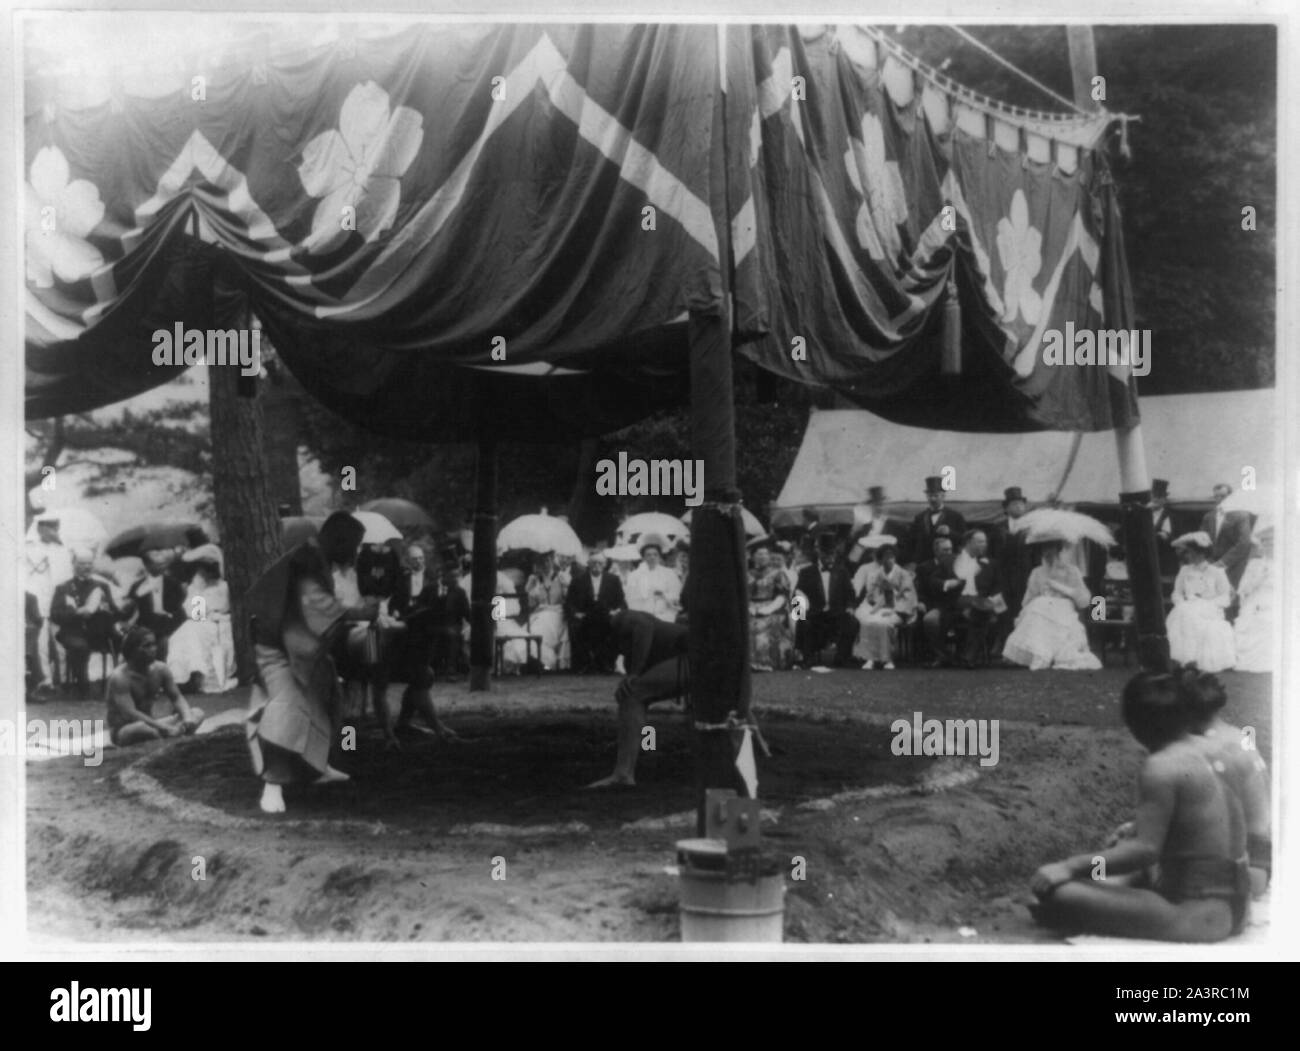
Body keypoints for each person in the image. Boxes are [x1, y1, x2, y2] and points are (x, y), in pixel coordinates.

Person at [1030, 670, 1250, 942]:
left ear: (1135, 725)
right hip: (1237, 901)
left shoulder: (1161, 766)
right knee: (1115, 859)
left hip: (1196, 913)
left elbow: (1145, 851)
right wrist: (1135, 830)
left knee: (1058, 891)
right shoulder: (1220, 750)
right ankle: (1108, 890)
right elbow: (1210, 820)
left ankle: (1090, 900)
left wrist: (1071, 866)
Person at [246, 512, 371, 814]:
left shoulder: (316, 559)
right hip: (276, 647)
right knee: (288, 707)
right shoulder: (306, 562)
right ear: (340, 542)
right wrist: (361, 613)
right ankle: (272, 785)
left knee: (327, 697)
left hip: (297, 646)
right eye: (353, 546)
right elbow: (318, 608)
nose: (355, 553)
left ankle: (317, 768)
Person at [586, 610, 688, 788]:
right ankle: (649, 746)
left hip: (695, 652)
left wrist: (635, 672)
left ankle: (623, 773)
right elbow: (643, 704)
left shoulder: (621, 620)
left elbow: (645, 625)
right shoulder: (629, 657)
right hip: (694, 657)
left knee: (632, 693)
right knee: (635, 697)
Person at [1001, 540, 1101, 671]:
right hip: (1040, 606)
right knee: (1037, 606)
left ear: (1058, 551)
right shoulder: (1037, 572)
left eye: (1051, 550)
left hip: (1064, 605)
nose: (1047, 553)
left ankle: (1046, 654)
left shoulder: (1071, 570)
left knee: (1040, 606)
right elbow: (1029, 597)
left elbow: (1083, 599)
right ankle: (1033, 653)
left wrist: (1061, 588)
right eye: (1044, 550)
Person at [105, 627, 205, 746]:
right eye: (147, 646)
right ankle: (171, 734)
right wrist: (164, 728)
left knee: (197, 713)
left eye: (154, 644)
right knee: (140, 728)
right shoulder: (120, 677)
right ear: (132, 650)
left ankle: (170, 733)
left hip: (153, 725)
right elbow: (130, 714)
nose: (153, 649)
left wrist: (187, 718)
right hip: (125, 730)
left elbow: (177, 698)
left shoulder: (161, 669)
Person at [165, 544, 235, 694]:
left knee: (194, 631)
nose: (200, 573)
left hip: (221, 623)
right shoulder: (195, 588)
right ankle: (186, 676)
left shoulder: (224, 587)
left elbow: (224, 608)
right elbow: (197, 614)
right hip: (202, 622)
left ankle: (203, 676)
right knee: (182, 635)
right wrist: (197, 590)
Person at [49, 549, 119, 696]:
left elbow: (115, 613)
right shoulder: (63, 588)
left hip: (98, 632)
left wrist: (107, 610)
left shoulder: (102, 586)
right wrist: (76, 613)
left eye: (89, 563)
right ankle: (83, 686)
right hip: (72, 632)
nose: (86, 567)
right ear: (73, 564)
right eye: (82, 563)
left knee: (126, 641)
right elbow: (55, 615)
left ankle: (121, 685)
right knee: (79, 647)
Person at [1166, 532, 1235, 673]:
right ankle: (1185, 658)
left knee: (1191, 615)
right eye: (1188, 553)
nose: (1189, 556)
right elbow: (1177, 592)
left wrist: (1208, 604)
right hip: (1188, 607)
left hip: (1210, 609)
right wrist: (1181, 603)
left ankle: (1194, 659)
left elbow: (1225, 596)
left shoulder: (1217, 572)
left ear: (1202, 553)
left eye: (1192, 553)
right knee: (1184, 614)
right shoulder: (1184, 571)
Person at [794, 532, 858, 668]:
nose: (831, 558)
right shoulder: (806, 572)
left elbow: (850, 593)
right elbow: (798, 593)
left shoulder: (842, 571)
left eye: (833, 554)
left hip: (836, 613)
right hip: (815, 614)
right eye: (827, 554)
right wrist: (800, 613)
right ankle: (808, 658)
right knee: (804, 622)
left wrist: (850, 607)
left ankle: (842, 658)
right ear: (820, 554)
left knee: (852, 622)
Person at [852, 539, 916, 670]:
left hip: (897, 608)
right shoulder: (875, 574)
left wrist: (896, 608)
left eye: (891, 557)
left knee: (885, 623)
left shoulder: (903, 574)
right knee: (868, 621)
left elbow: (908, 596)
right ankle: (869, 658)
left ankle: (887, 658)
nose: (888, 561)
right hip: (876, 606)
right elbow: (870, 594)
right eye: (885, 558)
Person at [25, 513, 72, 691]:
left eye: (56, 528)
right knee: (41, 643)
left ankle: (64, 679)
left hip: (58, 600)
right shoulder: (29, 547)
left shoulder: (61, 548)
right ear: (40, 529)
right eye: (50, 528)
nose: (54, 532)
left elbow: (66, 576)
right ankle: (46, 680)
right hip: (39, 599)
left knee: (59, 640)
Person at [565, 549, 626, 673]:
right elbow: (569, 602)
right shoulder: (578, 580)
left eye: (600, 563)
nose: (597, 565)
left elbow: (621, 601)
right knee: (576, 627)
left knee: (613, 628)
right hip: (585, 615)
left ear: (605, 564)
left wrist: (617, 611)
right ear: (588, 563)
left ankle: (606, 663)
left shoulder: (613, 580)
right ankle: (584, 664)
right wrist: (575, 613)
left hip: (607, 615)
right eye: (593, 562)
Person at [991, 487, 1035, 650]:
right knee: (1004, 611)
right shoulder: (998, 528)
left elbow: (1036, 555)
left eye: (1020, 504)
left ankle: (1022, 647)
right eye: (1014, 504)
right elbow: (993, 554)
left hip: (1025, 575)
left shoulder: (1031, 527)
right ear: (1006, 508)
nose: (1018, 507)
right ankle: (1004, 645)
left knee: (1022, 610)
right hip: (1003, 576)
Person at [123, 546, 187, 659]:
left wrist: (168, 614)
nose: (161, 567)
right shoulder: (138, 586)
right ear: (147, 566)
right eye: (157, 564)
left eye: (163, 564)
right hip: (145, 626)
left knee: (164, 643)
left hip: (169, 625)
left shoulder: (173, 583)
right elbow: (131, 609)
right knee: (136, 644)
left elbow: (179, 608)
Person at [951, 529, 1003, 668]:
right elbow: (936, 580)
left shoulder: (991, 564)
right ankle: (970, 657)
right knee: (980, 610)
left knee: (980, 611)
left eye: (985, 541)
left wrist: (993, 601)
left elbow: (998, 586)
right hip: (958, 600)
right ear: (969, 543)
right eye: (980, 541)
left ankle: (968, 657)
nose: (984, 544)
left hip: (981, 602)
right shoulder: (953, 560)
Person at [748, 539, 794, 672]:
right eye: (759, 554)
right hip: (750, 606)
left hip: (773, 606)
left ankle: (765, 662)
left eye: (765, 554)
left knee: (764, 624)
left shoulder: (778, 574)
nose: (762, 557)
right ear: (753, 556)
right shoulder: (746, 574)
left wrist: (767, 609)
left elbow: (782, 596)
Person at [918, 532, 963, 666]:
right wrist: (920, 601)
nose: (949, 552)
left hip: (957, 605)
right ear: (935, 551)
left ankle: (962, 655)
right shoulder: (924, 567)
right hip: (936, 605)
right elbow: (921, 589)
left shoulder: (959, 564)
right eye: (945, 550)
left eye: (950, 549)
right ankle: (941, 654)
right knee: (930, 620)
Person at [1232, 527, 1272, 673]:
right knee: (1257, 618)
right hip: (1258, 598)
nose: (1269, 547)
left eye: (1272, 543)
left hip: (1277, 598)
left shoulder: (1287, 563)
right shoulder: (1255, 564)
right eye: (1266, 543)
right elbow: (1243, 589)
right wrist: (1259, 577)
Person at [1200, 483, 1253, 592]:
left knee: (1231, 600)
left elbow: (1244, 543)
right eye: (1216, 496)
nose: (1219, 499)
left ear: (1231, 497)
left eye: (1223, 496)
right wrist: (1208, 562)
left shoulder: (1241, 515)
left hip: (1234, 567)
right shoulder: (1209, 516)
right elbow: (1202, 540)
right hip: (1212, 566)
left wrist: (1223, 563)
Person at [908, 476, 966, 569]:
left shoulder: (955, 516)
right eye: (930, 496)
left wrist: (950, 532)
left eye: (936, 495)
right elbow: (911, 542)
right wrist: (913, 561)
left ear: (943, 496)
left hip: (948, 563)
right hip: (924, 564)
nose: (933, 499)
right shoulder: (920, 517)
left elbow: (964, 540)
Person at [525, 551, 570, 670]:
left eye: (547, 561)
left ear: (552, 561)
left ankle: (544, 661)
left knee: (543, 629)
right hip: (539, 613)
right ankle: (534, 659)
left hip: (557, 613)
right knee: (529, 629)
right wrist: (530, 589)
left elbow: (568, 599)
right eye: (542, 562)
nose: (545, 564)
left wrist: (566, 587)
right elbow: (530, 604)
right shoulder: (535, 579)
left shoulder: (561, 577)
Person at [625, 534, 681, 624]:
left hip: (665, 617)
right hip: (642, 619)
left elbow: (675, 596)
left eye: (655, 554)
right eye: (648, 555)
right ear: (643, 557)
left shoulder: (669, 573)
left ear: (659, 556)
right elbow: (630, 598)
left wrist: (663, 595)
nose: (652, 557)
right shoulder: (634, 575)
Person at [1149, 479, 1178, 580]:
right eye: (1153, 497)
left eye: (1159, 497)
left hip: (1164, 559)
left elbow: (1166, 536)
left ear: (1164, 500)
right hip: (1147, 558)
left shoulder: (1169, 515)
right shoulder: (1145, 514)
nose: (1155, 500)